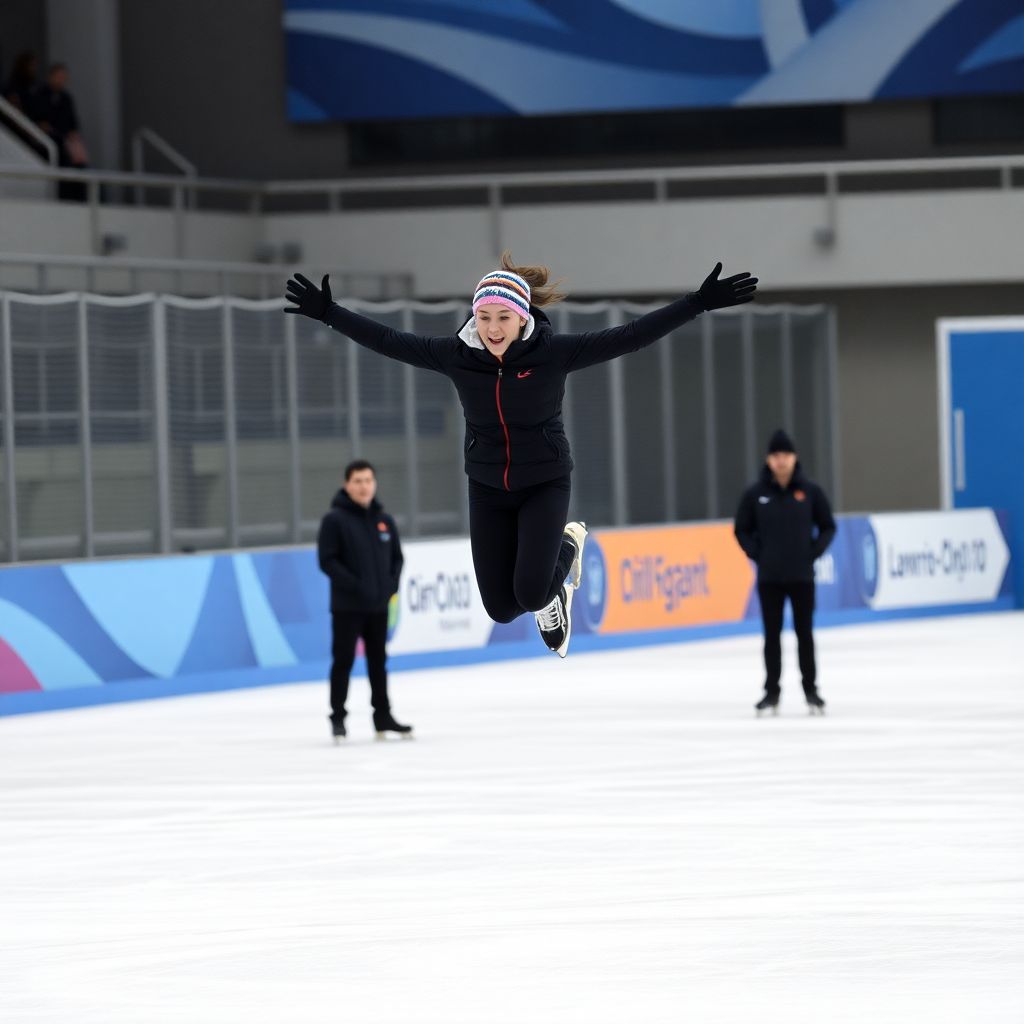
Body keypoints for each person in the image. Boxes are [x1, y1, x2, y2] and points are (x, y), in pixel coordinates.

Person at [288, 253, 757, 658]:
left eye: (503, 318)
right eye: (485, 316)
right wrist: (329, 312)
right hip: (487, 487)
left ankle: (566, 548)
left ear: (523, 317)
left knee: (532, 593)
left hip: (544, 482)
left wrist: (697, 303)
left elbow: (630, 336)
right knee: (501, 607)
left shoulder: (552, 353)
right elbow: (389, 342)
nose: (493, 328)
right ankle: (552, 579)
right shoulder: (456, 355)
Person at [733, 429, 837, 716]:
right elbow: (741, 529)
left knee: (805, 634)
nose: (781, 461)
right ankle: (771, 692)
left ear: (794, 458)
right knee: (772, 636)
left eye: (786, 456)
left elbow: (828, 525)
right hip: (770, 578)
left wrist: (813, 552)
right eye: (776, 456)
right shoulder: (756, 495)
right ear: (769, 459)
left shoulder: (810, 492)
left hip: (802, 577)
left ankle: (811, 690)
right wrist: (757, 554)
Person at [317, 459, 412, 741]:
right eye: (358, 481)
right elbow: (327, 561)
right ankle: (338, 717)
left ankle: (382, 716)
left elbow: (397, 558)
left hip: (378, 606)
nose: (363, 486)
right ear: (347, 484)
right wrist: (356, 586)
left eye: (368, 480)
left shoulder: (384, 520)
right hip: (347, 607)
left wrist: (390, 587)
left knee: (378, 662)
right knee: (343, 660)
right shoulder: (334, 520)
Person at [33, 62, 89, 201]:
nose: (61, 80)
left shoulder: (66, 98)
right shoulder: (40, 95)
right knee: (58, 154)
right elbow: (37, 119)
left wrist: (73, 134)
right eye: (58, 77)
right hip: (47, 141)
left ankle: (78, 198)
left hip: (64, 140)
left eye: (64, 77)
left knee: (78, 163)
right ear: (50, 77)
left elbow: (73, 123)